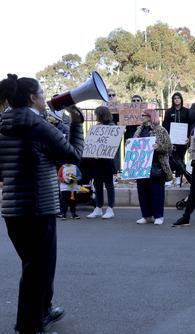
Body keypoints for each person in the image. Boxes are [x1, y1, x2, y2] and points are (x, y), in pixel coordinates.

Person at [0, 74, 84, 333]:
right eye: (42, 93)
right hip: (39, 208)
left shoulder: (3, 124)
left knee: (34, 264)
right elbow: (73, 155)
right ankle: (28, 325)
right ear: (32, 98)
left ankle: (43, 310)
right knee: (39, 268)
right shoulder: (38, 126)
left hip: (13, 210)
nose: (46, 98)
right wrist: (76, 125)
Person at [133, 109, 173, 225]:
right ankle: (146, 215)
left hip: (156, 164)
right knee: (142, 191)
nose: (142, 117)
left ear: (151, 117)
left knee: (157, 192)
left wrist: (158, 146)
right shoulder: (139, 130)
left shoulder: (160, 130)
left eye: (144, 115)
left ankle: (158, 216)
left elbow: (169, 147)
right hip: (141, 165)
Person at [86, 106, 119, 219]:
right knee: (97, 184)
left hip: (107, 161)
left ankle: (110, 209)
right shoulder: (96, 127)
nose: (95, 117)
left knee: (109, 184)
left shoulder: (111, 126)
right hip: (96, 161)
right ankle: (98, 207)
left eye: (96, 114)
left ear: (101, 115)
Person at [162, 92, 191, 186]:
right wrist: (167, 136)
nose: (176, 100)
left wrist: (188, 137)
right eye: (175, 98)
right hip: (172, 140)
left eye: (178, 98)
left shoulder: (186, 111)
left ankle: (178, 177)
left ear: (181, 99)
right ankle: (170, 178)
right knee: (170, 158)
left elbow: (190, 125)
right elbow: (165, 124)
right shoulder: (169, 112)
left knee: (180, 158)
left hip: (183, 140)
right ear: (173, 100)